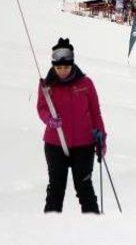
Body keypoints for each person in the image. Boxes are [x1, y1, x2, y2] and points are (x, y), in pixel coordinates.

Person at [37, 38, 106, 214]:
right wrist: (49, 120)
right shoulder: (47, 85)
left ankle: (94, 228)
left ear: (72, 64)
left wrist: (101, 138)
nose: (62, 71)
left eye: (66, 67)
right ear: (53, 66)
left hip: (84, 145)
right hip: (55, 144)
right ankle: (50, 231)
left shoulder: (86, 84)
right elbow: (42, 108)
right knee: (56, 189)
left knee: (84, 187)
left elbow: (95, 112)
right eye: (58, 68)